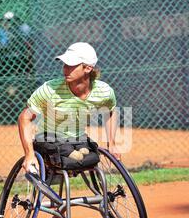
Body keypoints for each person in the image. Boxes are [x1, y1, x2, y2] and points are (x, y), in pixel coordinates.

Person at [18, 42, 120, 173]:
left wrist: (112, 144)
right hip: (48, 138)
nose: (65, 69)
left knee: (93, 156)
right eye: (65, 64)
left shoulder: (104, 92)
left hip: (78, 139)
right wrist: (29, 155)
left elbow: (110, 111)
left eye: (71, 65)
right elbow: (24, 118)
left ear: (87, 69)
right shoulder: (50, 90)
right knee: (66, 152)